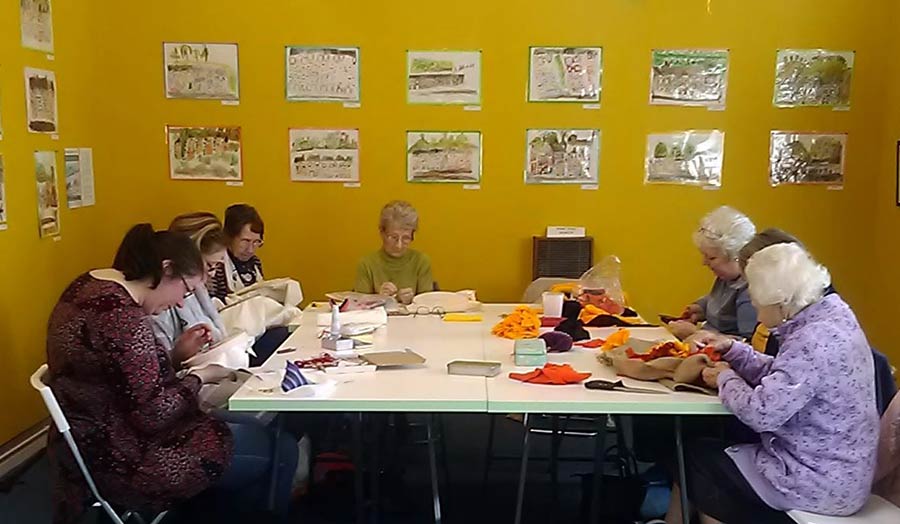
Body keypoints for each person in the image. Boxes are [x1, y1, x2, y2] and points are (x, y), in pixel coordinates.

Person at [46, 224, 298, 524]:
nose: (181, 303)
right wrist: (202, 376)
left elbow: (120, 373)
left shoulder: (87, 286)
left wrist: (174, 357)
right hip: (122, 457)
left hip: (84, 441)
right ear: (166, 269)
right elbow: (152, 414)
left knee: (249, 430)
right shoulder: (120, 316)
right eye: (186, 290)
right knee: (281, 448)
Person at [666, 243, 879, 524]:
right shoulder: (833, 316)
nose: (757, 314)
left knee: (697, 461)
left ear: (780, 304)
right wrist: (734, 350)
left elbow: (762, 413)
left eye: (756, 305)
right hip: (841, 472)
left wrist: (724, 378)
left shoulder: (813, 340)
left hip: (817, 483)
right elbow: (787, 376)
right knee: (707, 453)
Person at [668, 206, 757, 341]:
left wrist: (695, 334)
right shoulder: (726, 278)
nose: (704, 262)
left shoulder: (750, 293)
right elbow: (718, 300)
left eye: (711, 258)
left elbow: (749, 345)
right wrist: (700, 308)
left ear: (736, 256)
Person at [152, 212, 228, 366]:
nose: (209, 276)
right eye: (209, 266)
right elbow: (160, 374)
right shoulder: (157, 306)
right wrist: (177, 356)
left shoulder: (195, 288)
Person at [354, 200, 434, 305]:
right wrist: (378, 299)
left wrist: (413, 301)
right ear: (382, 233)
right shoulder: (367, 264)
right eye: (393, 237)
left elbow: (428, 306)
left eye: (406, 238)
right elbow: (358, 309)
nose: (399, 245)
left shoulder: (421, 262)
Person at [209, 203, 265, 302]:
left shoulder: (255, 263)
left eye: (256, 242)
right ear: (229, 237)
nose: (250, 250)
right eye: (245, 241)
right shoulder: (215, 266)